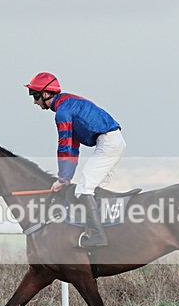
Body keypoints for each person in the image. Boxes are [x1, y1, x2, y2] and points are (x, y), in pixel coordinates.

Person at [25, 72, 126, 248]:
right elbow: (73, 147)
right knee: (92, 189)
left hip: (108, 142)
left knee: (83, 189)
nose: (34, 101)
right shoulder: (66, 103)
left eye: (35, 96)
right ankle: (104, 229)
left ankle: (98, 235)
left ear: (46, 93)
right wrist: (65, 178)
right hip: (113, 141)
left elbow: (64, 146)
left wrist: (63, 179)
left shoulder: (62, 112)